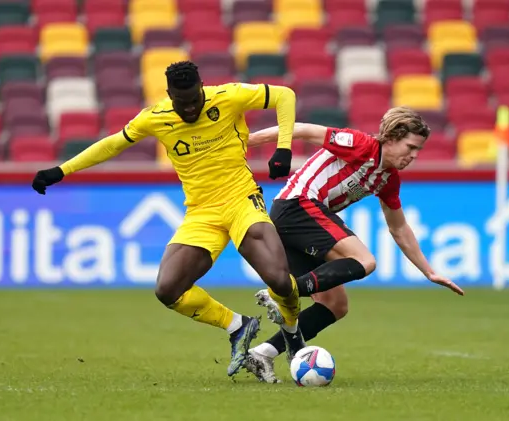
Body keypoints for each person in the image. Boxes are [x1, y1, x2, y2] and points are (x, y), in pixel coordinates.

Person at [30, 61, 307, 378]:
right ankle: (238, 326)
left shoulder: (228, 97)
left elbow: (284, 95)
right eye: (181, 102)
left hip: (241, 199)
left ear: (201, 87)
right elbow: (112, 145)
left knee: (278, 278)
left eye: (193, 99)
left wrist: (284, 149)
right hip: (201, 212)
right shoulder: (156, 117)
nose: (189, 108)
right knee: (168, 289)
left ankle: (292, 334)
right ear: (169, 95)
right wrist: (62, 170)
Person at [242, 107, 465, 383]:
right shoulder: (361, 145)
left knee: (335, 305)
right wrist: (247, 141)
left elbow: (398, 227)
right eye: (410, 147)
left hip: (302, 218)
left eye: (418, 150)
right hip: (297, 205)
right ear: (391, 138)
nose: (414, 156)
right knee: (365, 261)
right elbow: (302, 129)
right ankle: (283, 295)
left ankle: (261, 353)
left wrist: (428, 271)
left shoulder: (387, 179)